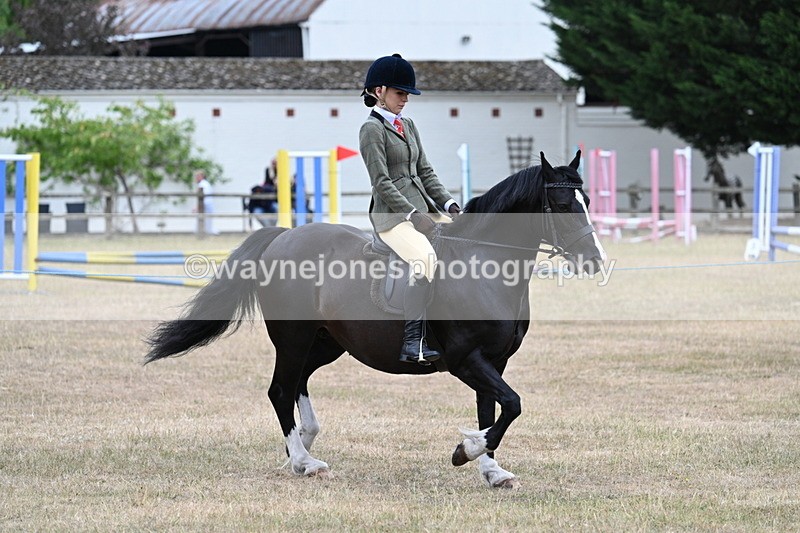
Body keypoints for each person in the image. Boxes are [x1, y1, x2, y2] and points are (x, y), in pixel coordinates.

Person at [359, 53, 461, 365]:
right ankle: (412, 342)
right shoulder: (371, 130)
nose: (405, 100)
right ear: (379, 92)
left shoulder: (409, 125)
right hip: (391, 217)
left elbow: (426, 173)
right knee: (425, 258)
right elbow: (382, 182)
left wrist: (449, 204)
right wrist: (412, 216)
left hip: (424, 209)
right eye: (399, 93)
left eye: (407, 95)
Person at [195, 170, 218, 235]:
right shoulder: (205, 183)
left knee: (206, 221)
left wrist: (197, 207)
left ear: (201, 176)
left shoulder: (203, 184)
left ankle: (204, 234)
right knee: (207, 221)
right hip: (206, 205)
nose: (196, 178)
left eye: (197, 176)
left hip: (205, 205)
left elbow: (204, 197)